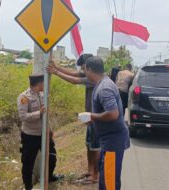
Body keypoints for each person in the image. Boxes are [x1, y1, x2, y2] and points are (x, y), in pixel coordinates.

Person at [47, 54, 100, 183]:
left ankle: (95, 175)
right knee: (88, 145)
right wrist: (57, 68)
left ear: (89, 67)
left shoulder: (93, 78)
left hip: (96, 118)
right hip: (89, 117)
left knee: (95, 147)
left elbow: (74, 80)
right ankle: (89, 170)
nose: (82, 71)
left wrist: (55, 72)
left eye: (83, 68)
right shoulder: (88, 74)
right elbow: (74, 74)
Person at [78, 56, 130, 190]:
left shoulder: (104, 88)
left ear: (89, 69)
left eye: (84, 70)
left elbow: (113, 114)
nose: (84, 73)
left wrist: (91, 116)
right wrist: (93, 119)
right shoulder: (102, 83)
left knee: (109, 182)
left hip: (113, 141)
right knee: (106, 178)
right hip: (109, 140)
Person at [17, 74, 62, 190]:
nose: (45, 85)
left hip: (44, 134)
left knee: (52, 156)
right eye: (44, 82)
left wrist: (50, 129)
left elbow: (46, 115)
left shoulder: (42, 95)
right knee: (28, 162)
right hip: (30, 136)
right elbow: (23, 116)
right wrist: (39, 113)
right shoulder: (24, 97)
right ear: (39, 83)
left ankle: (49, 176)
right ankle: (28, 187)